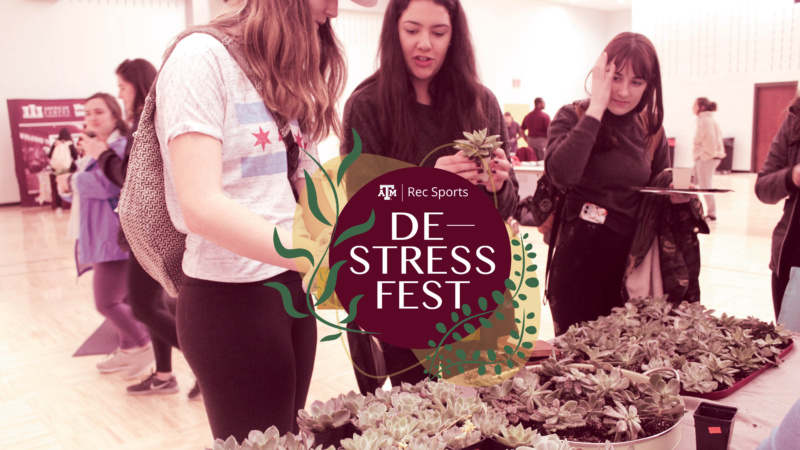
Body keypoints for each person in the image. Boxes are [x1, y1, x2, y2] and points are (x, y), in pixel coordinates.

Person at [153, 0, 375, 442]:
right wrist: (313, 253)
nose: (334, 11)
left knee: (290, 437)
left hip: (293, 292)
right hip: (231, 302)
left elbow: (300, 183)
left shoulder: (279, 71)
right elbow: (200, 204)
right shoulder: (201, 57)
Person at [340, 0, 518, 391]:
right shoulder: (367, 105)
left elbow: (506, 209)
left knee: (478, 415)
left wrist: (499, 185)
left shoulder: (480, 102)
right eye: (412, 30)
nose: (425, 44)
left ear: (454, 37)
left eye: (439, 33)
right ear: (393, 31)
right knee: (422, 420)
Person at [81, 59, 198, 398]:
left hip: (150, 229)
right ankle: (164, 375)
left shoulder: (143, 126)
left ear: (136, 86)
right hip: (148, 229)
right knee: (151, 304)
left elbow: (126, 179)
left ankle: (209, 368)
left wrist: (101, 153)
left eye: (122, 88)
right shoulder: (147, 121)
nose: (120, 94)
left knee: (145, 307)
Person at [544, 32, 670, 335]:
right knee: (576, 369)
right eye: (616, 77)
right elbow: (562, 174)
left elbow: (660, 191)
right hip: (576, 264)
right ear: (601, 74)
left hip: (629, 269)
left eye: (636, 82)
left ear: (649, 85)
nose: (624, 91)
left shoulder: (650, 127)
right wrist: (596, 109)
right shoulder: (572, 115)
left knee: (625, 367)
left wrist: (680, 198)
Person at [56, 93, 154, 376]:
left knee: (106, 302)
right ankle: (129, 351)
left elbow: (106, 187)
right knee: (120, 300)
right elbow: (87, 192)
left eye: (99, 111)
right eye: (87, 114)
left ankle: (144, 343)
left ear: (115, 115)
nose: (92, 118)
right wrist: (68, 187)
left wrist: (72, 180)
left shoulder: (120, 145)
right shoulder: (99, 148)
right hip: (97, 232)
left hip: (111, 235)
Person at [755, 95, 800, 321]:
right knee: (792, 350)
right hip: (793, 263)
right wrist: (792, 176)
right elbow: (763, 188)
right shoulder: (795, 118)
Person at [692, 97, 725, 221]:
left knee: (705, 185)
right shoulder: (706, 119)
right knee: (691, 183)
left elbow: (710, 142)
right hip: (705, 157)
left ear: (702, 107)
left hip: (707, 157)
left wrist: (703, 157)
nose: (692, 108)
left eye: (694, 106)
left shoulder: (705, 120)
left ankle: (711, 214)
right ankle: (692, 210)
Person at [47, 128, 78, 210]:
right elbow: (75, 156)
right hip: (68, 169)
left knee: (58, 188)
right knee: (69, 186)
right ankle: (69, 205)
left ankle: (58, 206)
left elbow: (50, 155)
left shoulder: (55, 144)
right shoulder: (70, 144)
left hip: (56, 169)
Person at [521, 97, 550, 162]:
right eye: (543, 102)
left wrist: (526, 139)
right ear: (539, 103)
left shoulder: (528, 116)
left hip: (530, 141)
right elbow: (549, 130)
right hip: (542, 142)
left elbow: (522, 129)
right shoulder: (545, 116)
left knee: (532, 161)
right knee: (543, 162)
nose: (544, 104)